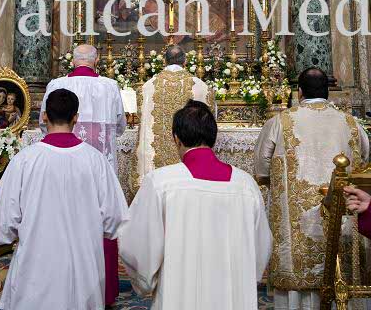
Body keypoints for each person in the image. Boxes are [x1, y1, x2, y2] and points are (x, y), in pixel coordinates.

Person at [119, 100, 272, 310]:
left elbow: (137, 244)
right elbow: (261, 247)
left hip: (179, 296)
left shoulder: (161, 182)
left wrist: (145, 283)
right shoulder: (246, 185)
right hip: (232, 297)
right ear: (213, 137)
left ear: (176, 138)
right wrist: (243, 280)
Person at [0, 89, 129, 310]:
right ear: (76, 117)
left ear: (44, 116)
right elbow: (114, 219)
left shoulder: (24, 160)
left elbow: (4, 220)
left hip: (35, 267)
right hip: (83, 270)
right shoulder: (96, 160)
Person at [254, 67, 369, 310]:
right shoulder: (351, 123)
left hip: (298, 227)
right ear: (328, 92)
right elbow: (364, 163)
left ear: (299, 92)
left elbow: (262, 169)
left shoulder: (280, 122)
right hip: (341, 219)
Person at [40, 44, 127, 308]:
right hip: (99, 166)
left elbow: (44, 123)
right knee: (102, 217)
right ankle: (103, 291)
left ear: (73, 61)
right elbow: (120, 125)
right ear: (96, 61)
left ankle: (56, 285)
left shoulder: (56, 85)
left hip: (58, 165)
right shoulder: (110, 86)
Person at [132, 44, 215, 191]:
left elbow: (141, 118)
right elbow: (210, 121)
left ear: (165, 61)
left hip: (155, 165)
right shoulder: (201, 87)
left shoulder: (147, 88)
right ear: (185, 62)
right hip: (191, 165)